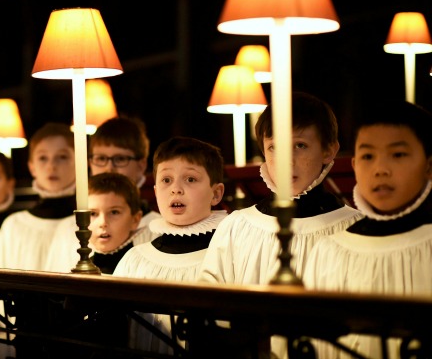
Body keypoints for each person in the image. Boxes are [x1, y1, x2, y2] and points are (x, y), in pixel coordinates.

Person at [197, 91, 363, 359]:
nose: (287, 160)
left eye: (300, 145)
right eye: (274, 147)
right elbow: (209, 307)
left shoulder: (354, 228)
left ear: (329, 150)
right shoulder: (238, 227)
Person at [302, 99, 432, 359]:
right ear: (354, 167)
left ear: (429, 164)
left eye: (398, 154)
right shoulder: (330, 249)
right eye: (368, 156)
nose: (380, 170)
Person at [112, 136, 227, 354]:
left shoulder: (226, 255)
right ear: (155, 192)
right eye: (166, 180)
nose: (176, 189)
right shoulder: (135, 258)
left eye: (190, 180)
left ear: (216, 193)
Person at [44, 116, 160, 272]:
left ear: (141, 165)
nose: (109, 168)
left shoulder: (158, 229)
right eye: (101, 158)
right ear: (90, 163)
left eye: (120, 159)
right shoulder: (68, 229)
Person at [0, 121, 76, 271]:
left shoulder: (93, 222)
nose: (51, 166)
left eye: (62, 157)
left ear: (80, 162)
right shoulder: (15, 226)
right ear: (31, 167)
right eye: (43, 158)